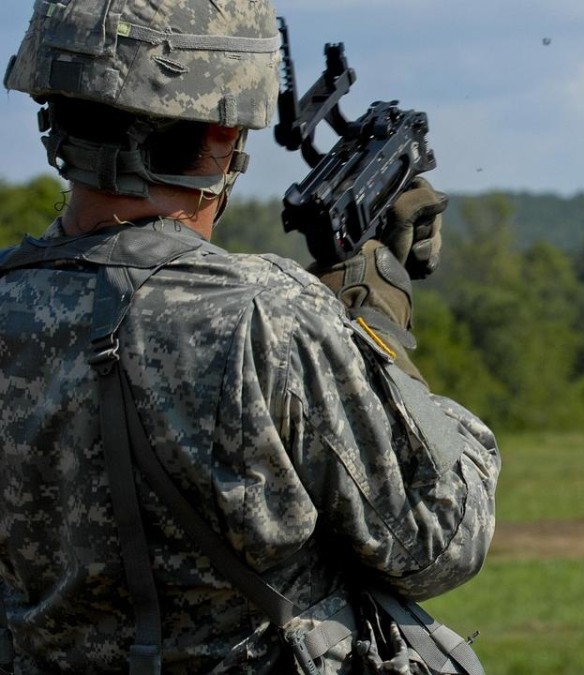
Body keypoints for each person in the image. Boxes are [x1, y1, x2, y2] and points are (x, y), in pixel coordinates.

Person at [0, 1, 499, 673]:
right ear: (222, 129)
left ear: (52, 111)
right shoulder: (269, 312)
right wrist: (377, 338)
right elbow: (440, 538)